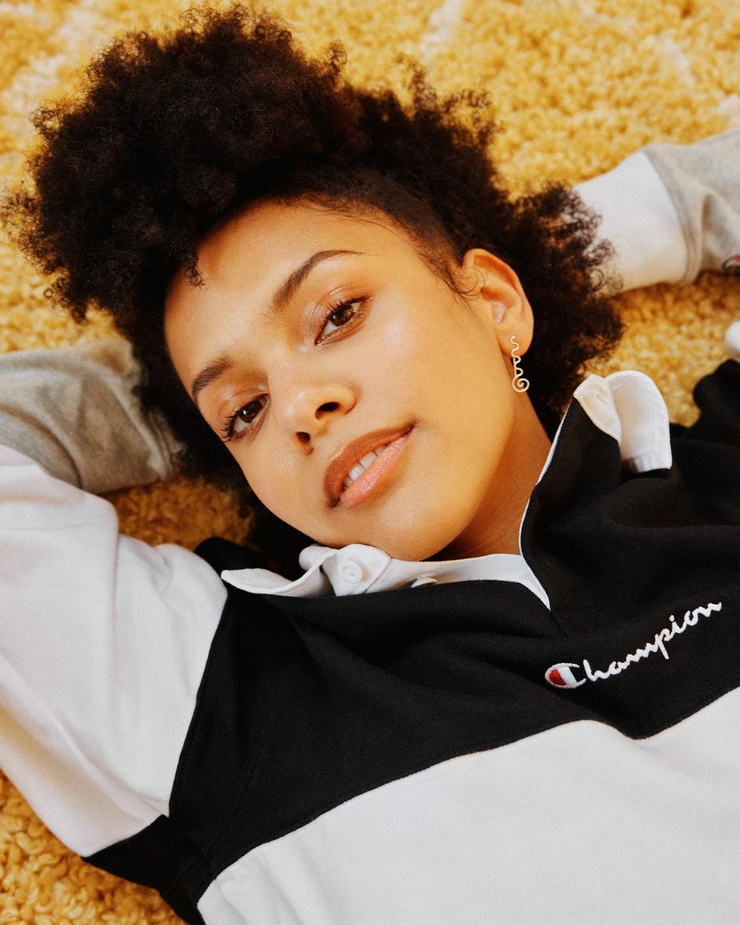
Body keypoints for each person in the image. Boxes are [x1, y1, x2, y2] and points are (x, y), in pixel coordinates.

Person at [0, 4, 738, 923]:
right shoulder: (218, 698)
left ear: (495, 297)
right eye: (244, 412)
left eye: (338, 313)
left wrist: (554, 243)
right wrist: (168, 400)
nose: (299, 408)